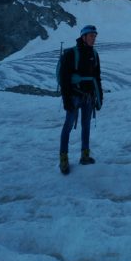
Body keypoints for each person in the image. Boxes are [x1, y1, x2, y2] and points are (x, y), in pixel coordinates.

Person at [58, 25, 103, 175]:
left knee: (86, 125)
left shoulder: (94, 54)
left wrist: (99, 97)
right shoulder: (71, 54)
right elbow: (64, 79)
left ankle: (85, 155)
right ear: (83, 37)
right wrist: (66, 100)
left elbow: (97, 77)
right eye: (91, 36)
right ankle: (63, 158)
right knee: (68, 126)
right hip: (74, 96)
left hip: (88, 96)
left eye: (94, 36)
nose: (93, 38)